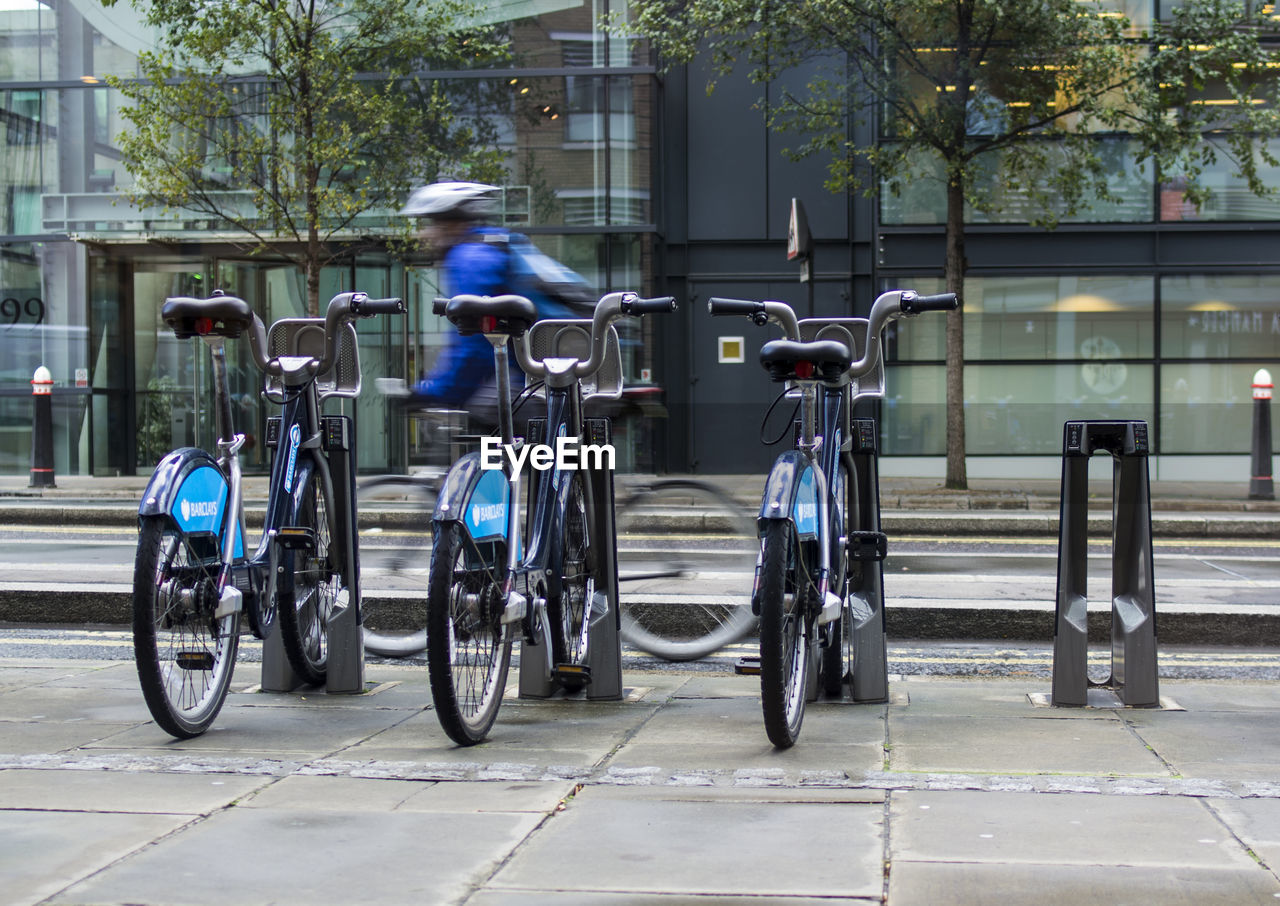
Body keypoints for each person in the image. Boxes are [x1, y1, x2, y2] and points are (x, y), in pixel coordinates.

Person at [397, 181, 583, 430]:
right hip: (569, 371)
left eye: (430, 224)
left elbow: (474, 350)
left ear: (448, 224)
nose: (425, 235)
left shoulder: (470, 258)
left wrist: (429, 394)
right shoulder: (500, 243)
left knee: (482, 417)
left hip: (538, 380)